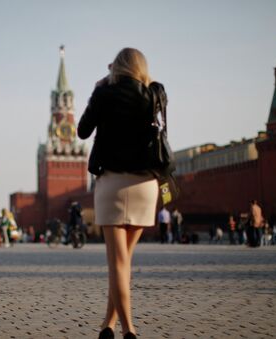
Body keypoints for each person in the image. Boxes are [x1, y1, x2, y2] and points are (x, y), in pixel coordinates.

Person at [78, 47, 165, 339]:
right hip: (145, 185)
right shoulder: (156, 93)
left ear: (115, 68)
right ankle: (108, 324)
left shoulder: (105, 93)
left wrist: (100, 86)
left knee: (117, 261)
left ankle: (129, 328)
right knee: (124, 259)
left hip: (112, 183)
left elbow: (82, 131)